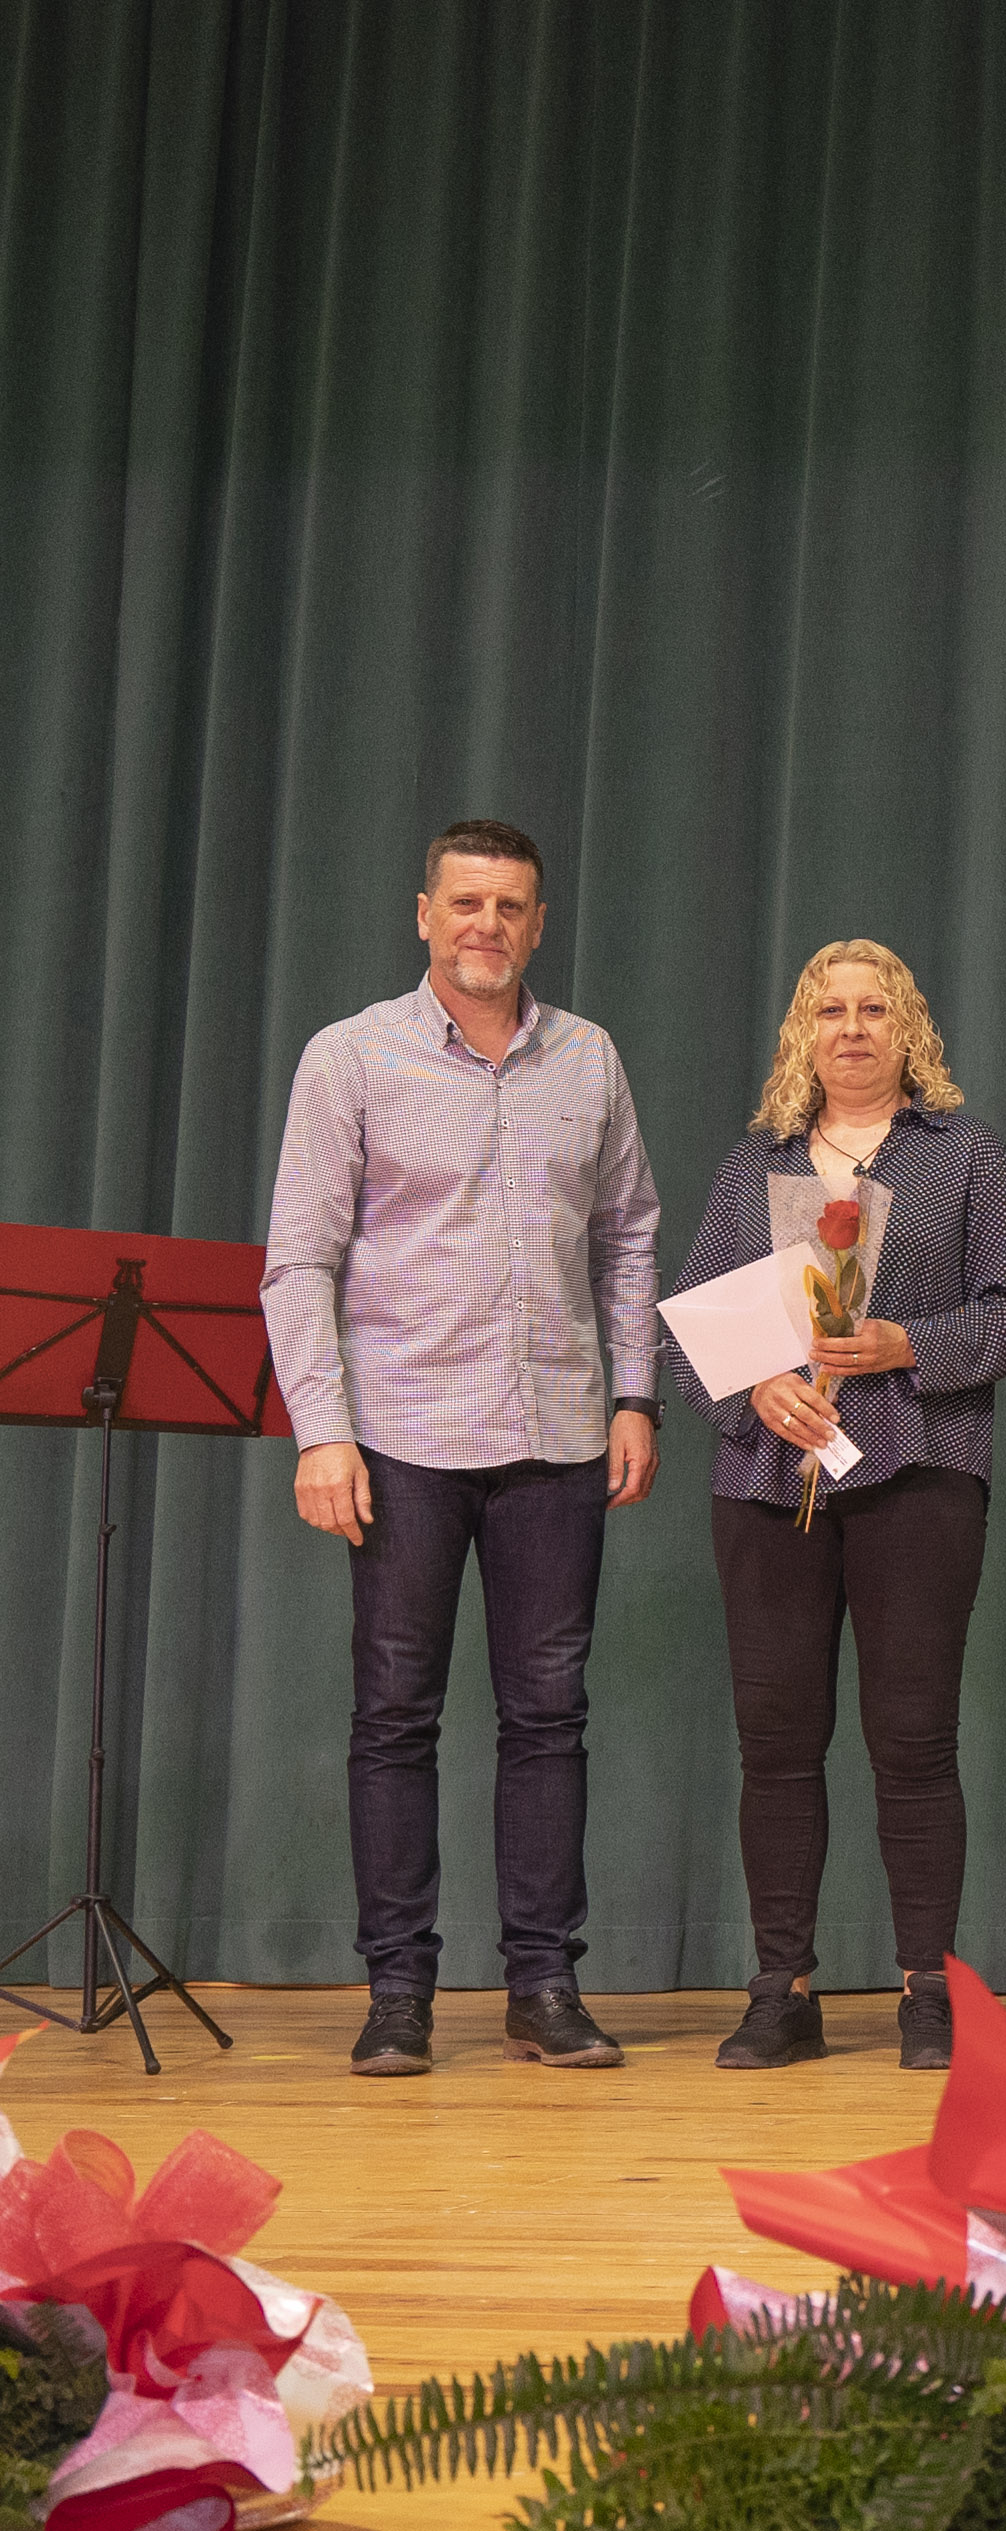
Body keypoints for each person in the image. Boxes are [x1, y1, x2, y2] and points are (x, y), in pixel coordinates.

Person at [261, 817, 661, 2080]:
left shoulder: (588, 1057)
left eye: (512, 906)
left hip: (559, 1436)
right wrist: (322, 1432)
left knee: (549, 1717)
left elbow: (629, 1239)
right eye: (467, 902)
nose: (488, 924)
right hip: (401, 1439)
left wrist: (635, 1397)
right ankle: (400, 1993)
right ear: (424, 914)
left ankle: (543, 1985)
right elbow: (299, 1260)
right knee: (395, 1717)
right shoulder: (351, 1057)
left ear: (538, 925)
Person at [666, 941, 1006, 2073]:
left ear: (906, 1029)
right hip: (768, 1481)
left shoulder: (966, 1156)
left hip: (920, 1474)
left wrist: (904, 1344)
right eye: (830, 1010)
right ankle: (781, 1990)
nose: (852, 1027)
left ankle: (929, 1990)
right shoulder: (754, 1167)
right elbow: (684, 1330)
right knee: (777, 1743)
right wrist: (756, 1388)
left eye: (874, 1009)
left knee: (914, 1740)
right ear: (805, 1032)